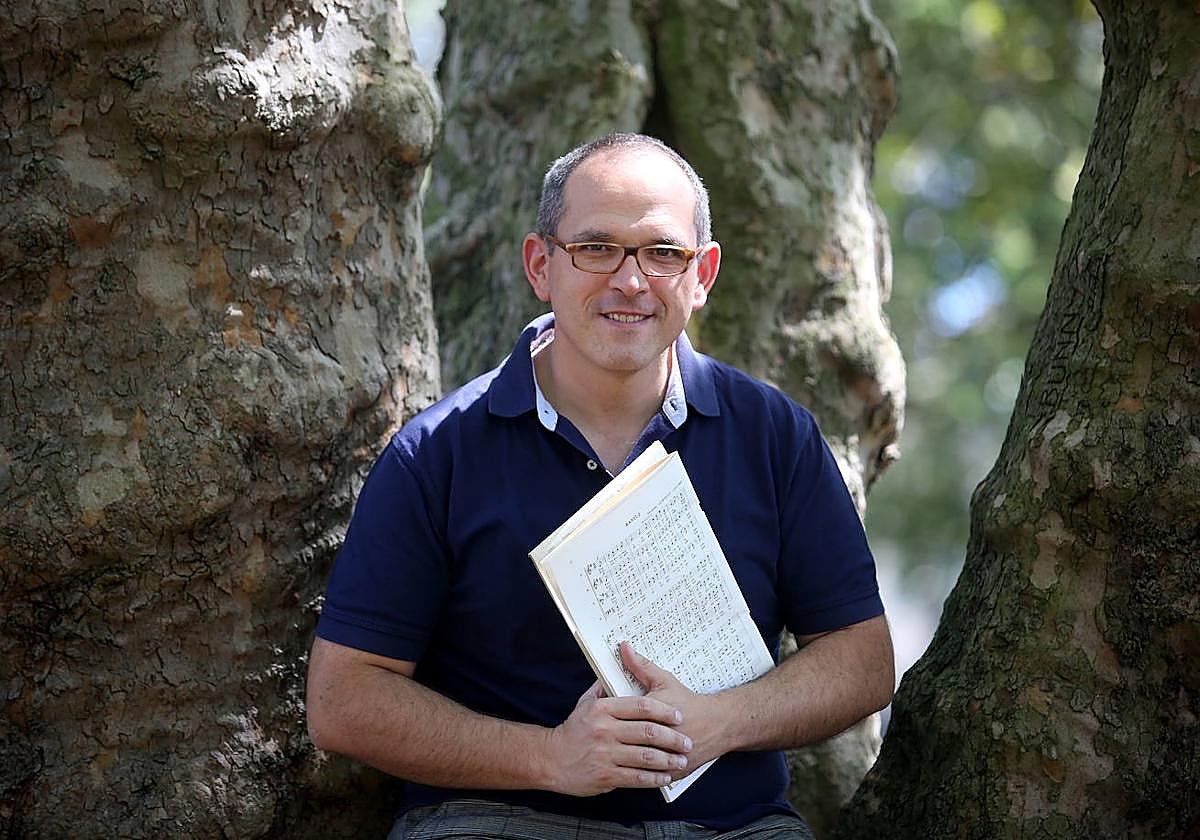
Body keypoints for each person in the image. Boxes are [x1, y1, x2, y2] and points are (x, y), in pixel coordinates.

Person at [306, 132, 894, 839]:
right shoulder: (436, 453)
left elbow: (862, 659)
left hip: (732, 826)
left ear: (702, 274)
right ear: (540, 264)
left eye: (662, 252)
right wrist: (552, 757)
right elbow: (342, 699)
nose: (631, 280)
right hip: (498, 818)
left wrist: (719, 722)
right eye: (596, 248)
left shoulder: (775, 435)